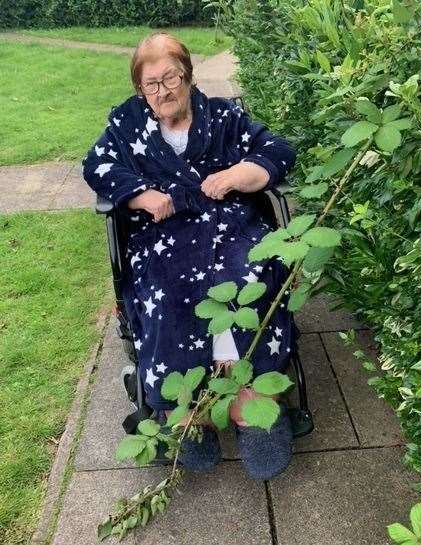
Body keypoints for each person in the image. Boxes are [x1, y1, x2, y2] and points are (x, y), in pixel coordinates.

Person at [82, 32, 298, 479]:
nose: (163, 91)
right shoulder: (126, 125)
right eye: (150, 84)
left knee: (251, 278)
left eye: (170, 78)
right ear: (140, 89)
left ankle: (252, 401)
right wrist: (140, 195)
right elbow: (97, 165)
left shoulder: (224, 116)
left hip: (230, 223)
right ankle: (185, 412)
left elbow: (279, 149)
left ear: (188, 74)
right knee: (169, 291)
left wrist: (239, 173)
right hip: (164, 234)